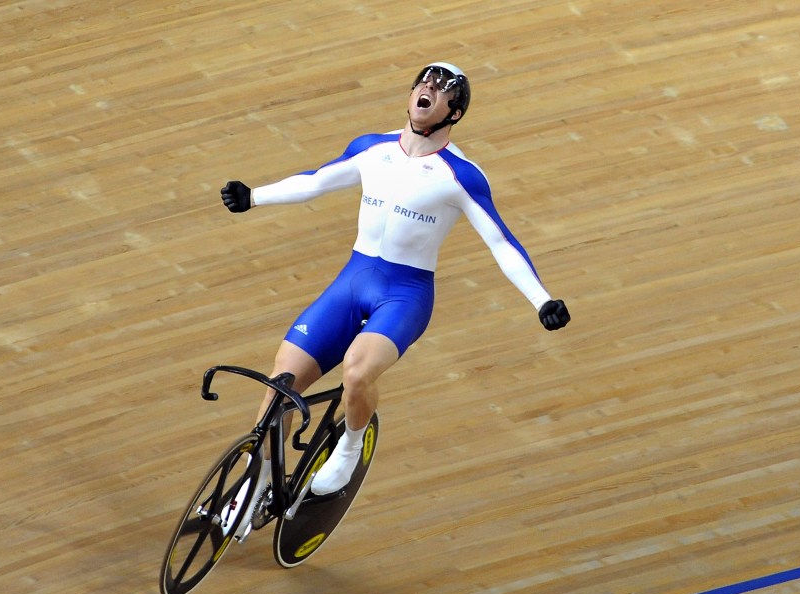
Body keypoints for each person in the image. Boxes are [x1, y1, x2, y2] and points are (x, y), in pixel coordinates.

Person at [220, 62, 570, 512]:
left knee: (358, 371)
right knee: (281, 381)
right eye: (424, 82)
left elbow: (501, 242)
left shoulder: (460, 175)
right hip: (353, 281)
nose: (429, 89)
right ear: (410, 96)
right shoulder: (372, 149)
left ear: (454, 112)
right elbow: (315, 181)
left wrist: (541, 300)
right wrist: (254, 196)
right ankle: (261, 478)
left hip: (403, 296)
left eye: (442, 89)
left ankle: (348, 449)